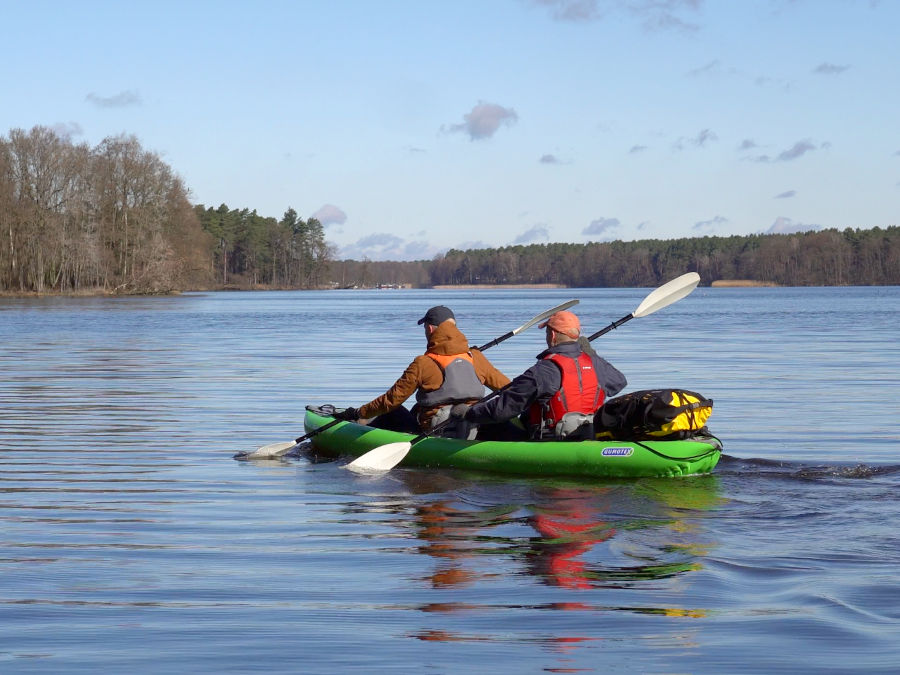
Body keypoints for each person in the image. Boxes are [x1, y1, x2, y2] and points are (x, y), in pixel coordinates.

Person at [333, 305, 510, 438]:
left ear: (430, 329)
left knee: (393, 411)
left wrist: (358, 412)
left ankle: (359, 429)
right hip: (473, 428)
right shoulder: (476, 357)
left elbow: (390, 401)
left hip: (435, 433)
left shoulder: (422, 363)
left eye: (425, 328)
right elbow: (511, 389)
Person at [453, 310, 626, 441]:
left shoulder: (543, 370)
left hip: (548, 440)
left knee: (492, 423)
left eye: (546, 333)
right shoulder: (595, 363)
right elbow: (619, 382)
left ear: (552, 335)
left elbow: (502, 408)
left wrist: (468, 412)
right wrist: (591, 354)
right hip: (588, 433)